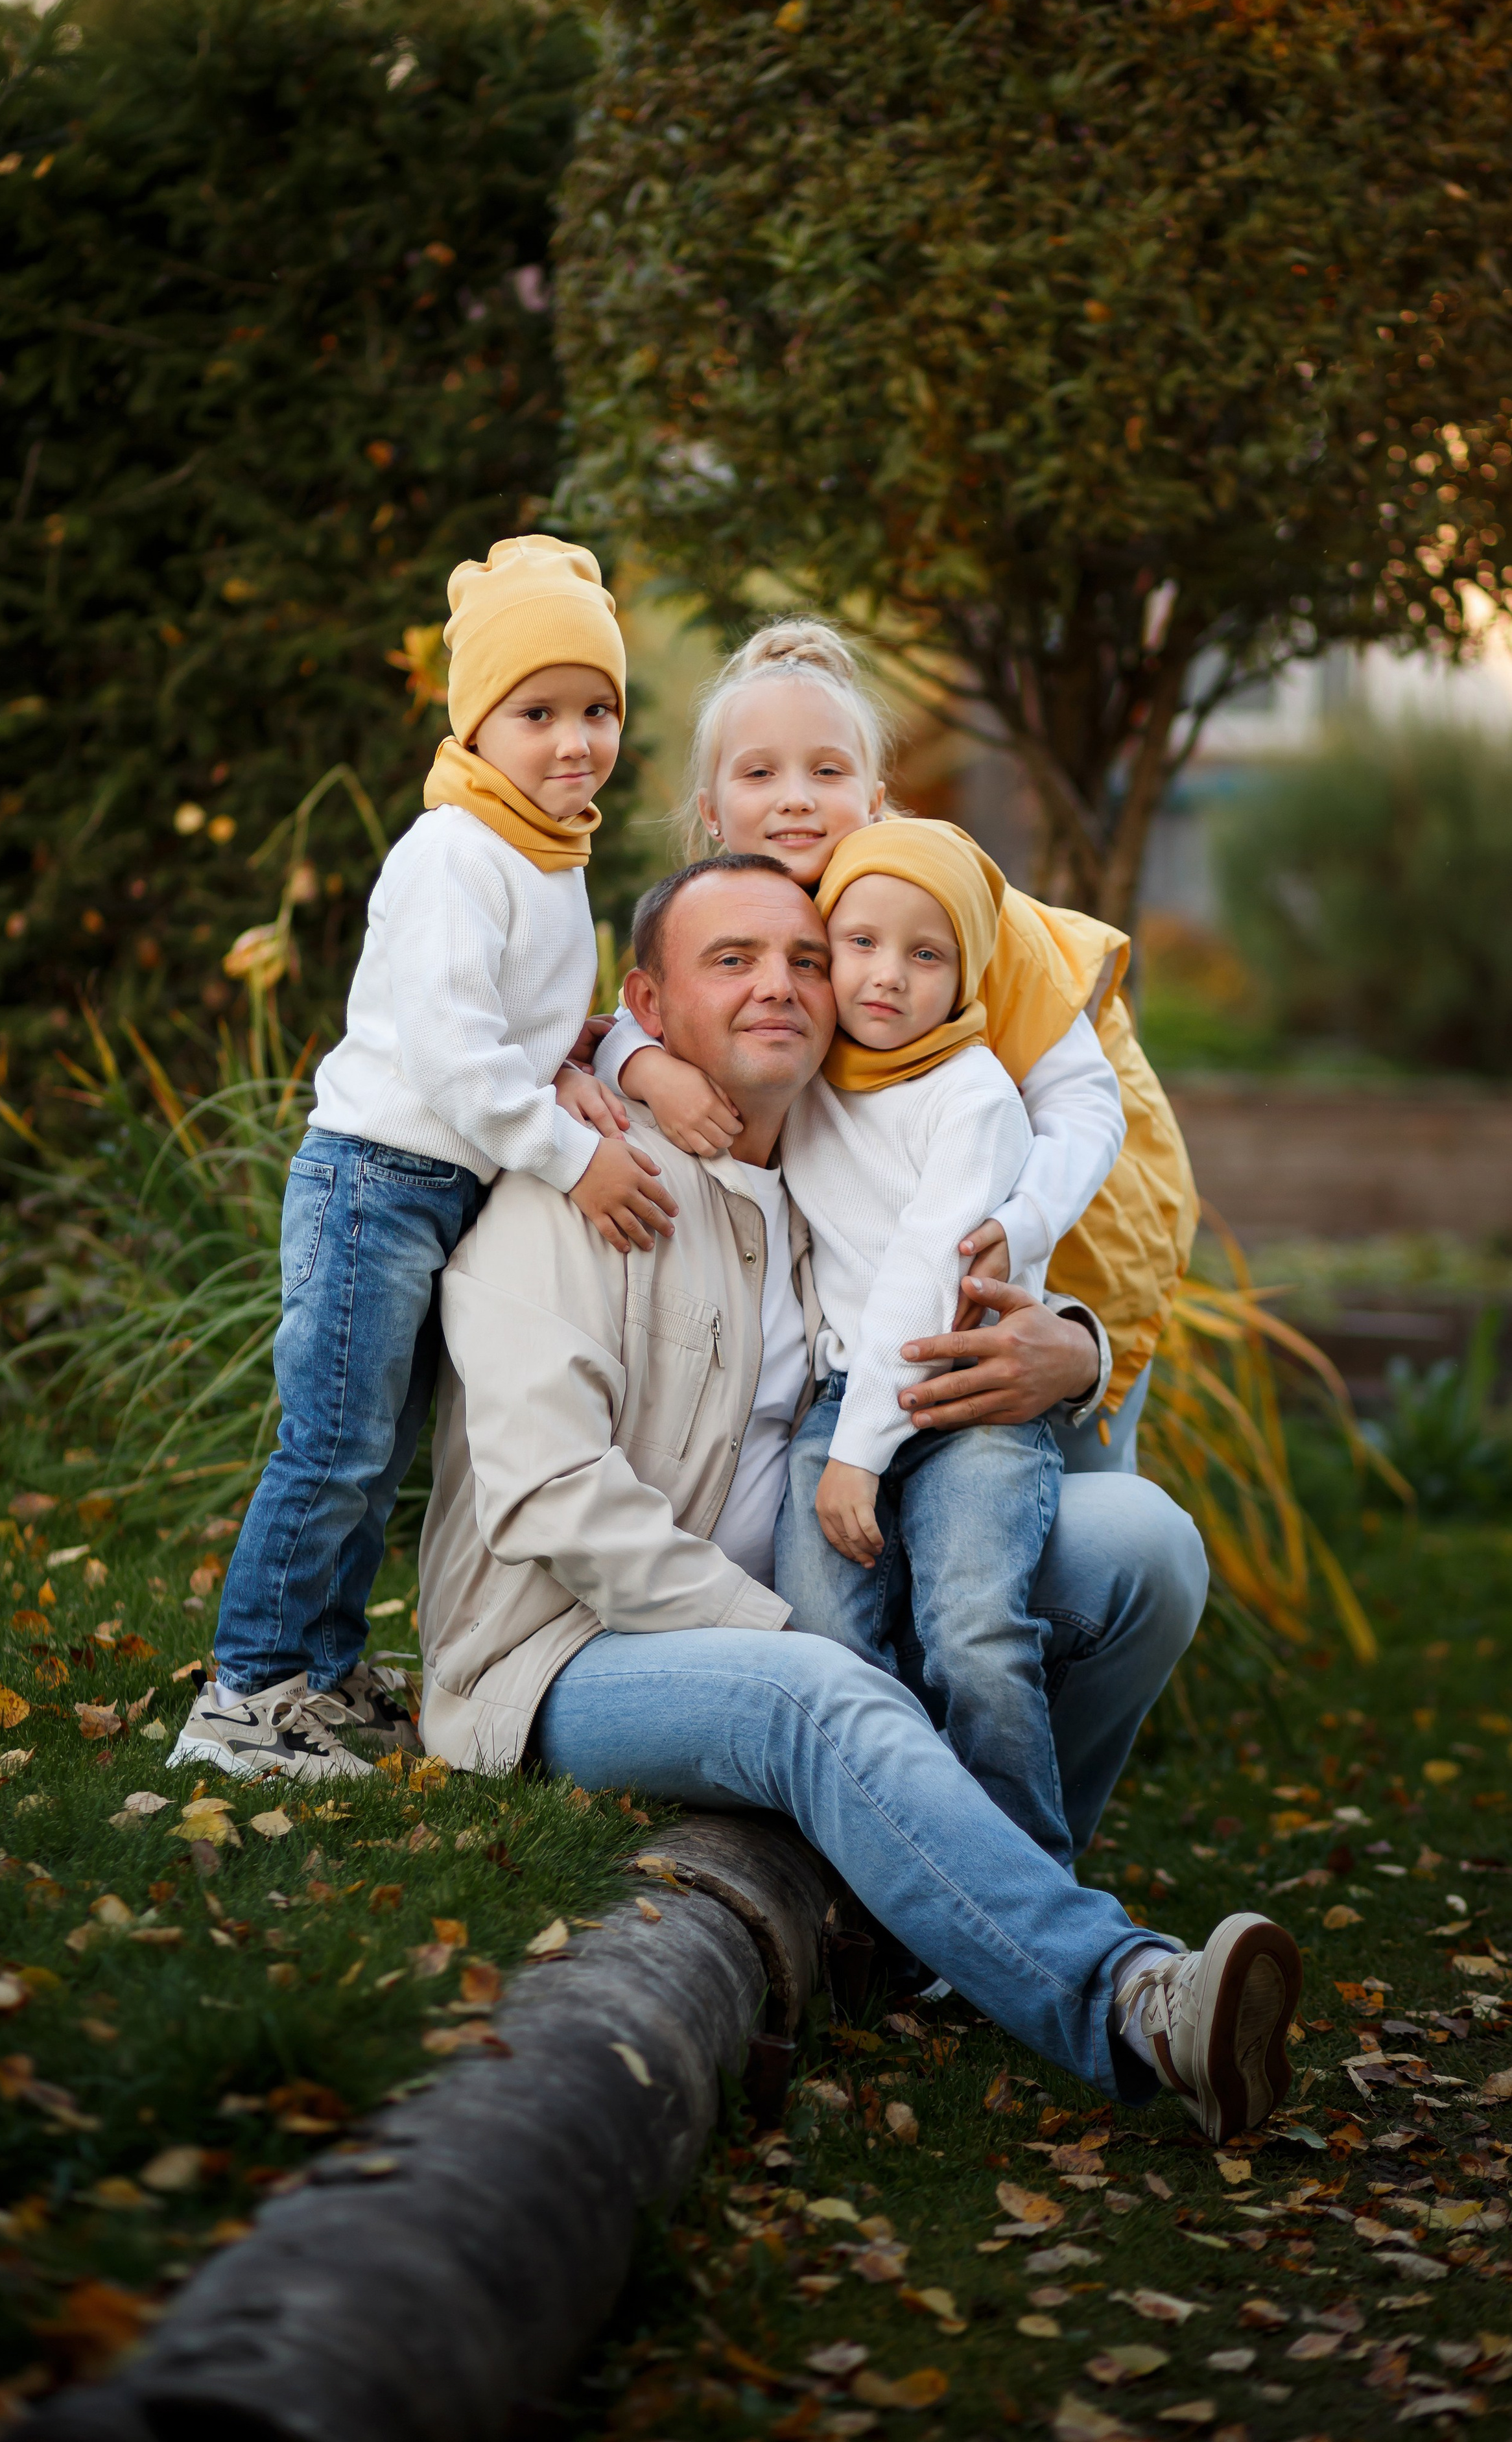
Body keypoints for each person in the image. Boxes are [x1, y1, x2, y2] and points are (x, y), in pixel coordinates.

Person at [419, 855, 1303, 2141]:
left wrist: (1074, 1347)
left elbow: (939, 1282)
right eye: (732, 961)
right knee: (823, 1693)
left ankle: (940, 1917)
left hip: (811, 1581)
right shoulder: (579, 1191)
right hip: (565, 1654)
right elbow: (557, 1499)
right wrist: (790, 1638)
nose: (780, 985)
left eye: (805, 959)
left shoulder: (822, 1172)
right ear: (646, 1010)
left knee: (1139, 1551)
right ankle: (1132, 1999)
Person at [169, 535, 677, 1783]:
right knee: (333, 1446)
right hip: (375, 1184)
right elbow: (454, 1057)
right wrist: (572, 1154)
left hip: (438, 1188)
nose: (576, 742)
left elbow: (515, 1028)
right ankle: (245, 1694)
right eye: (538, 713)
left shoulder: (546, 850)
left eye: (599, 710)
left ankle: (323, 1670)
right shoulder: (455, 851)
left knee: (379, 1451)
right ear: (476, 722)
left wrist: (566, 1066)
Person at [591, 620, 1195, 1473]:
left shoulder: (954, 912)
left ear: (875, 800)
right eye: (760, 773)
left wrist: (1025, 1222)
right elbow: (646, 1013)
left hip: (1071, 1211)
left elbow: (1084, 1105)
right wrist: (642, 1065)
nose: (796, 799)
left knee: (1065, 1460)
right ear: (712, 813)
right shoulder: (740, 915)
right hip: (896, 1271)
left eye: (827, 772)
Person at [776, 820, 1071, 1864]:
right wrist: (629, 1062)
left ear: (967, 975)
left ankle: (1027, 1882)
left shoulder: (975, 1096)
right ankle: (881, 1868)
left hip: (968, 1404)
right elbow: (664, 1027)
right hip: (844, 1399)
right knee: (826, 1643)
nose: (888, 976)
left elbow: (923, 1272)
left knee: (974, 1639)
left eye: (926, 953)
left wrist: (858, 1455)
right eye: (860, 943)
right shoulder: (807, 1068)